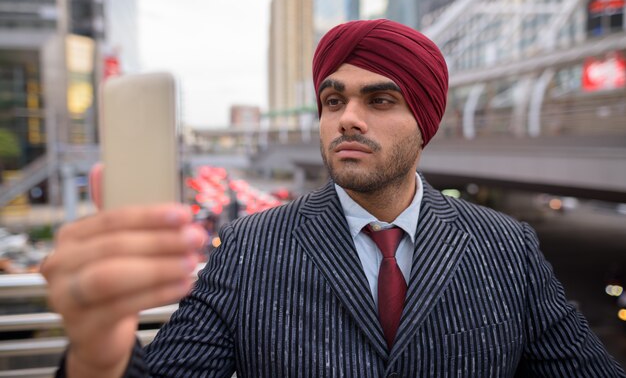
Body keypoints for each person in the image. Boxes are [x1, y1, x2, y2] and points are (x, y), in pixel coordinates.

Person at [42, 19, 625, 378]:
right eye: (332, 100)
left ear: (426, 121)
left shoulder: (506, 249)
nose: (346, 118)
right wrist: (99, 357)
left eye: (380, 100)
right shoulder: (251, 247)